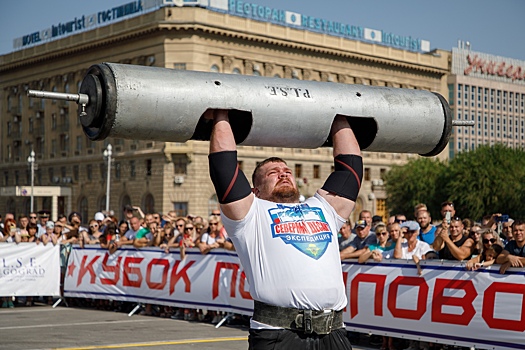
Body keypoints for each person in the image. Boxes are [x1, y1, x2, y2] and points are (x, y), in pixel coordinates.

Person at [207, 109, 361, 349]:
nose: (283, 174)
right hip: (280, 335)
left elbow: (350, 171)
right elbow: (224, 168)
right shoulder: (251, 213)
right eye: (273, 173)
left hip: (334, 333)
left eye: (287, 171)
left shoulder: (322, 208)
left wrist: (338, 115)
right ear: (255, 190)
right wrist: (221, 113)